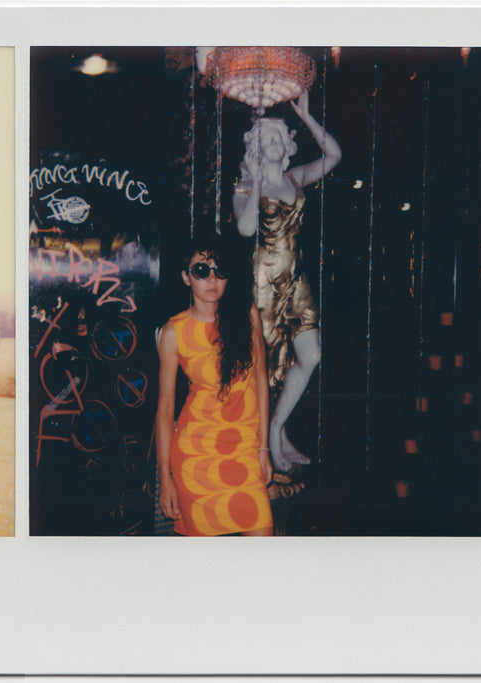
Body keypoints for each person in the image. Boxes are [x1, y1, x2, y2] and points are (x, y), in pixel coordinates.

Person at [232, 91, 341, 474]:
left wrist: (308, 117)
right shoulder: (244, 185)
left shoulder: (296, 178)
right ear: (256, 148)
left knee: (310, 355)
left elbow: (334, 157)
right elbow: (246, 230)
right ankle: (266, 442)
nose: (275, 143)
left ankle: (278, 428)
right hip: (262, 284)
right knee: (265, 365)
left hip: (295, 280)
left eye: (280, 138)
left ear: (289, 145)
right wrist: (256, 183)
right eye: (267, 139)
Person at [156, 237, 274, 536]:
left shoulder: (247, 315)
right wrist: (165, 478)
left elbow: (261, 379)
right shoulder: (174, 331)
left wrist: (263, 449)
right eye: (201, 270)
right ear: (186, 277)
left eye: (219, 271)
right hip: (196, 457)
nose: (212, 279)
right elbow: (165, 409)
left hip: (245, 451)